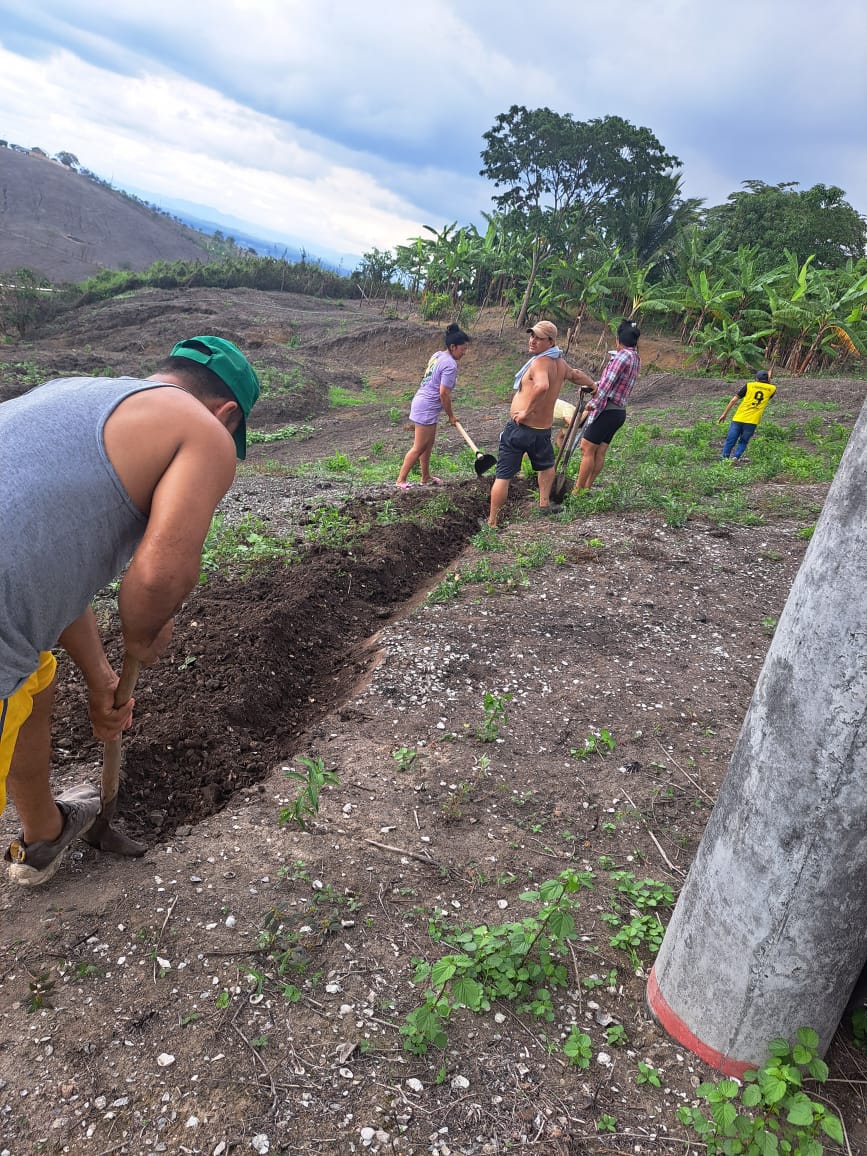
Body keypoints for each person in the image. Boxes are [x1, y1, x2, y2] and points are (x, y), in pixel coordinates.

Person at [0, 335, 260, 885]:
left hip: (12, 603)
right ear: (227, 414)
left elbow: (49, 572)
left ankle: (45, 832)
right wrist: (144, 634)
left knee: (36, 677)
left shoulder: (72, 393)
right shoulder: (204, 430)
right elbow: (159, 578)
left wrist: (101, 678)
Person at [486, 320, 595, 528]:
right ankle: (544, 504)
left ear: (550, 342)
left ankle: (492, 522)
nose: (532, 341)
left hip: (520, 429)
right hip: (542, 431)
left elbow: (542, 386)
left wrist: (526, 412)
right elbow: (575, 375)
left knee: (504, 475)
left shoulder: (539, 363)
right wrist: (592, 385)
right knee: (546, 466)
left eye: (539, 338)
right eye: (532, 336)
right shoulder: (560, 364)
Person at [395, 322, 470, 488]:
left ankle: (426, 476)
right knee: (419, 446)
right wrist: (451, 416)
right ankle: (400, 480)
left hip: (423, 401)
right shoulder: (450, 364)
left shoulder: (437, 355)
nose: (464, 352)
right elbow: (444, 393)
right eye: (463, 349)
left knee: (428, 444)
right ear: (453, 347)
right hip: (426, 406)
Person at [572, 319, 641, 494]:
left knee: (587, 448)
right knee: (600, 451)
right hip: (618, 412)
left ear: (618, 339)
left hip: (607, 410)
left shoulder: (621, 356)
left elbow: (607, 384)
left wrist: (593, 403)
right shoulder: (635, 357)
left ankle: (577, 492)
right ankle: (587, 488)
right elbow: (612, 382)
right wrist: (591, 386)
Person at [718, 370, 776, 462]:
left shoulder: (749, 385)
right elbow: (768, 393)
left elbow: (733, 400)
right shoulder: (772, 388)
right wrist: (769, 380)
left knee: (730, 440)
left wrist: (724, 414)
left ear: (756, 378)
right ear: (767, 379)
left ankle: (724, 459)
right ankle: (736, 457)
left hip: (739, 417)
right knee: (744, 441)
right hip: (753, 420)